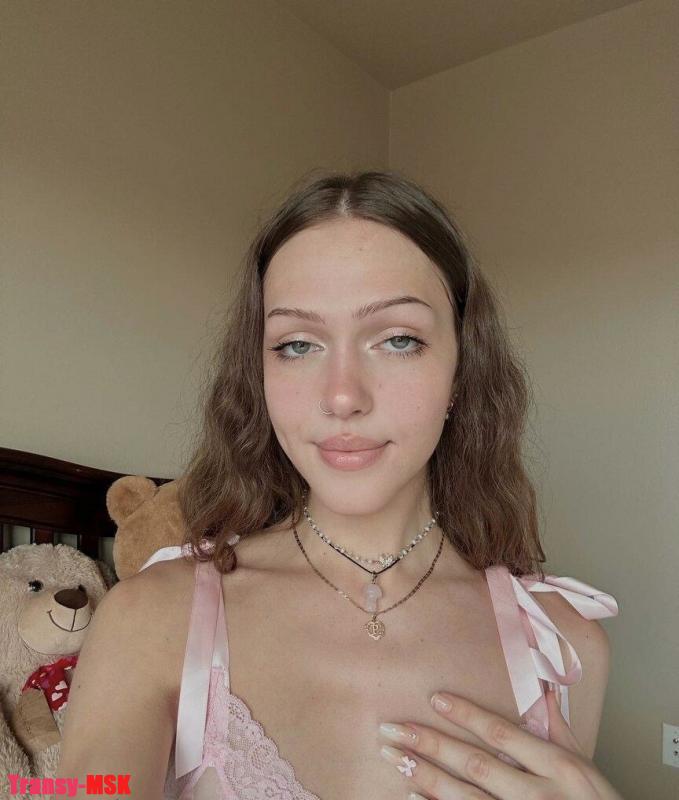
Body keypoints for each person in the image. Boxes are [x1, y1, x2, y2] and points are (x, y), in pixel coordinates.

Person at [56, 170, 621, 799]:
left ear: (462, 369)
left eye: (398, 339)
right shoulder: (153, 617)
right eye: (297, 345)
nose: (343, 396)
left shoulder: (564, 649)